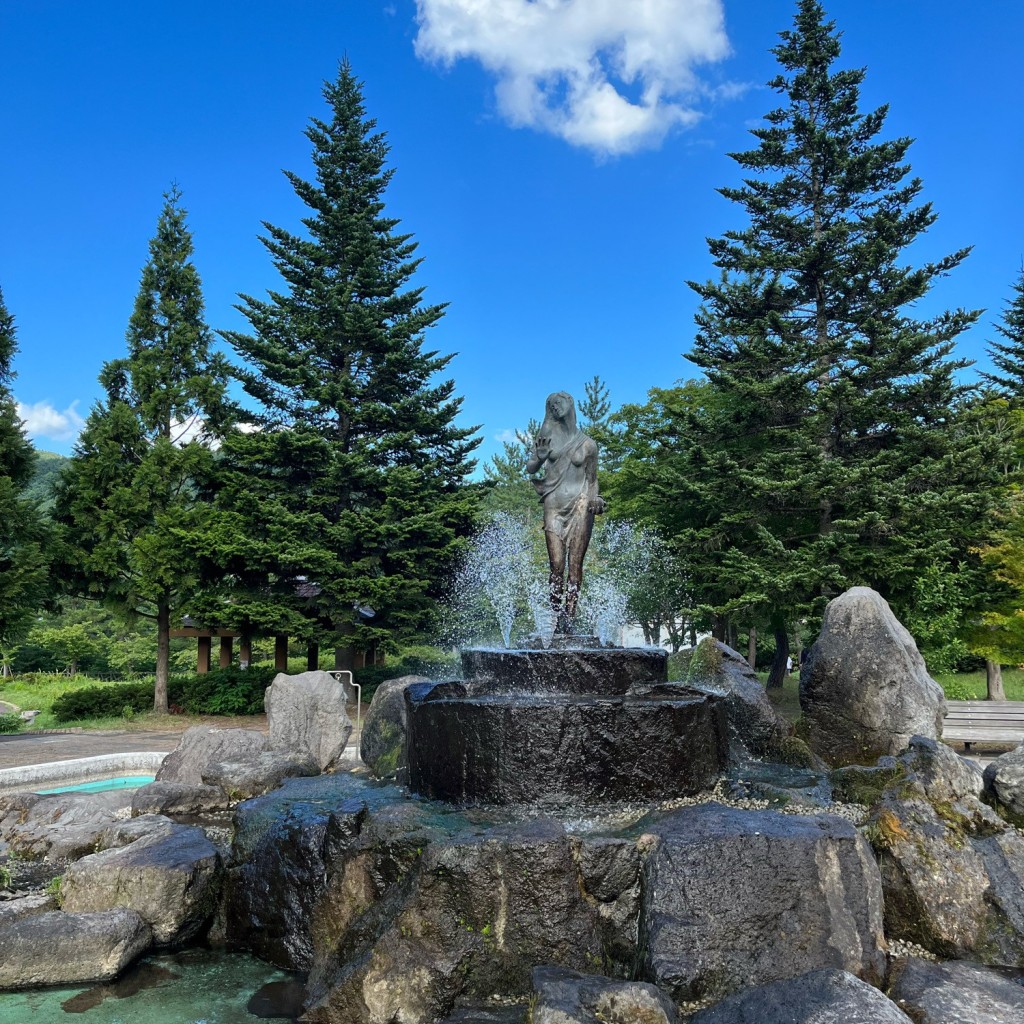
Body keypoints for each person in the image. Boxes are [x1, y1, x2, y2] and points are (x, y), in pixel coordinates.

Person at [526, 391, 606, 631]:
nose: (554, 408)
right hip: (553, 504)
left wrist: (596, 499)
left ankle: (568, 619)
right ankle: (554, 616)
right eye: (549, 405)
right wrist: (539, 459)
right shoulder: (546, 435)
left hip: (581, 505)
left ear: (570, 404)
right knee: (556, 565)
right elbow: (530, 468)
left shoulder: (588, 444)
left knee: (574, 567)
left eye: (558, 403)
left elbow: (592, 480)